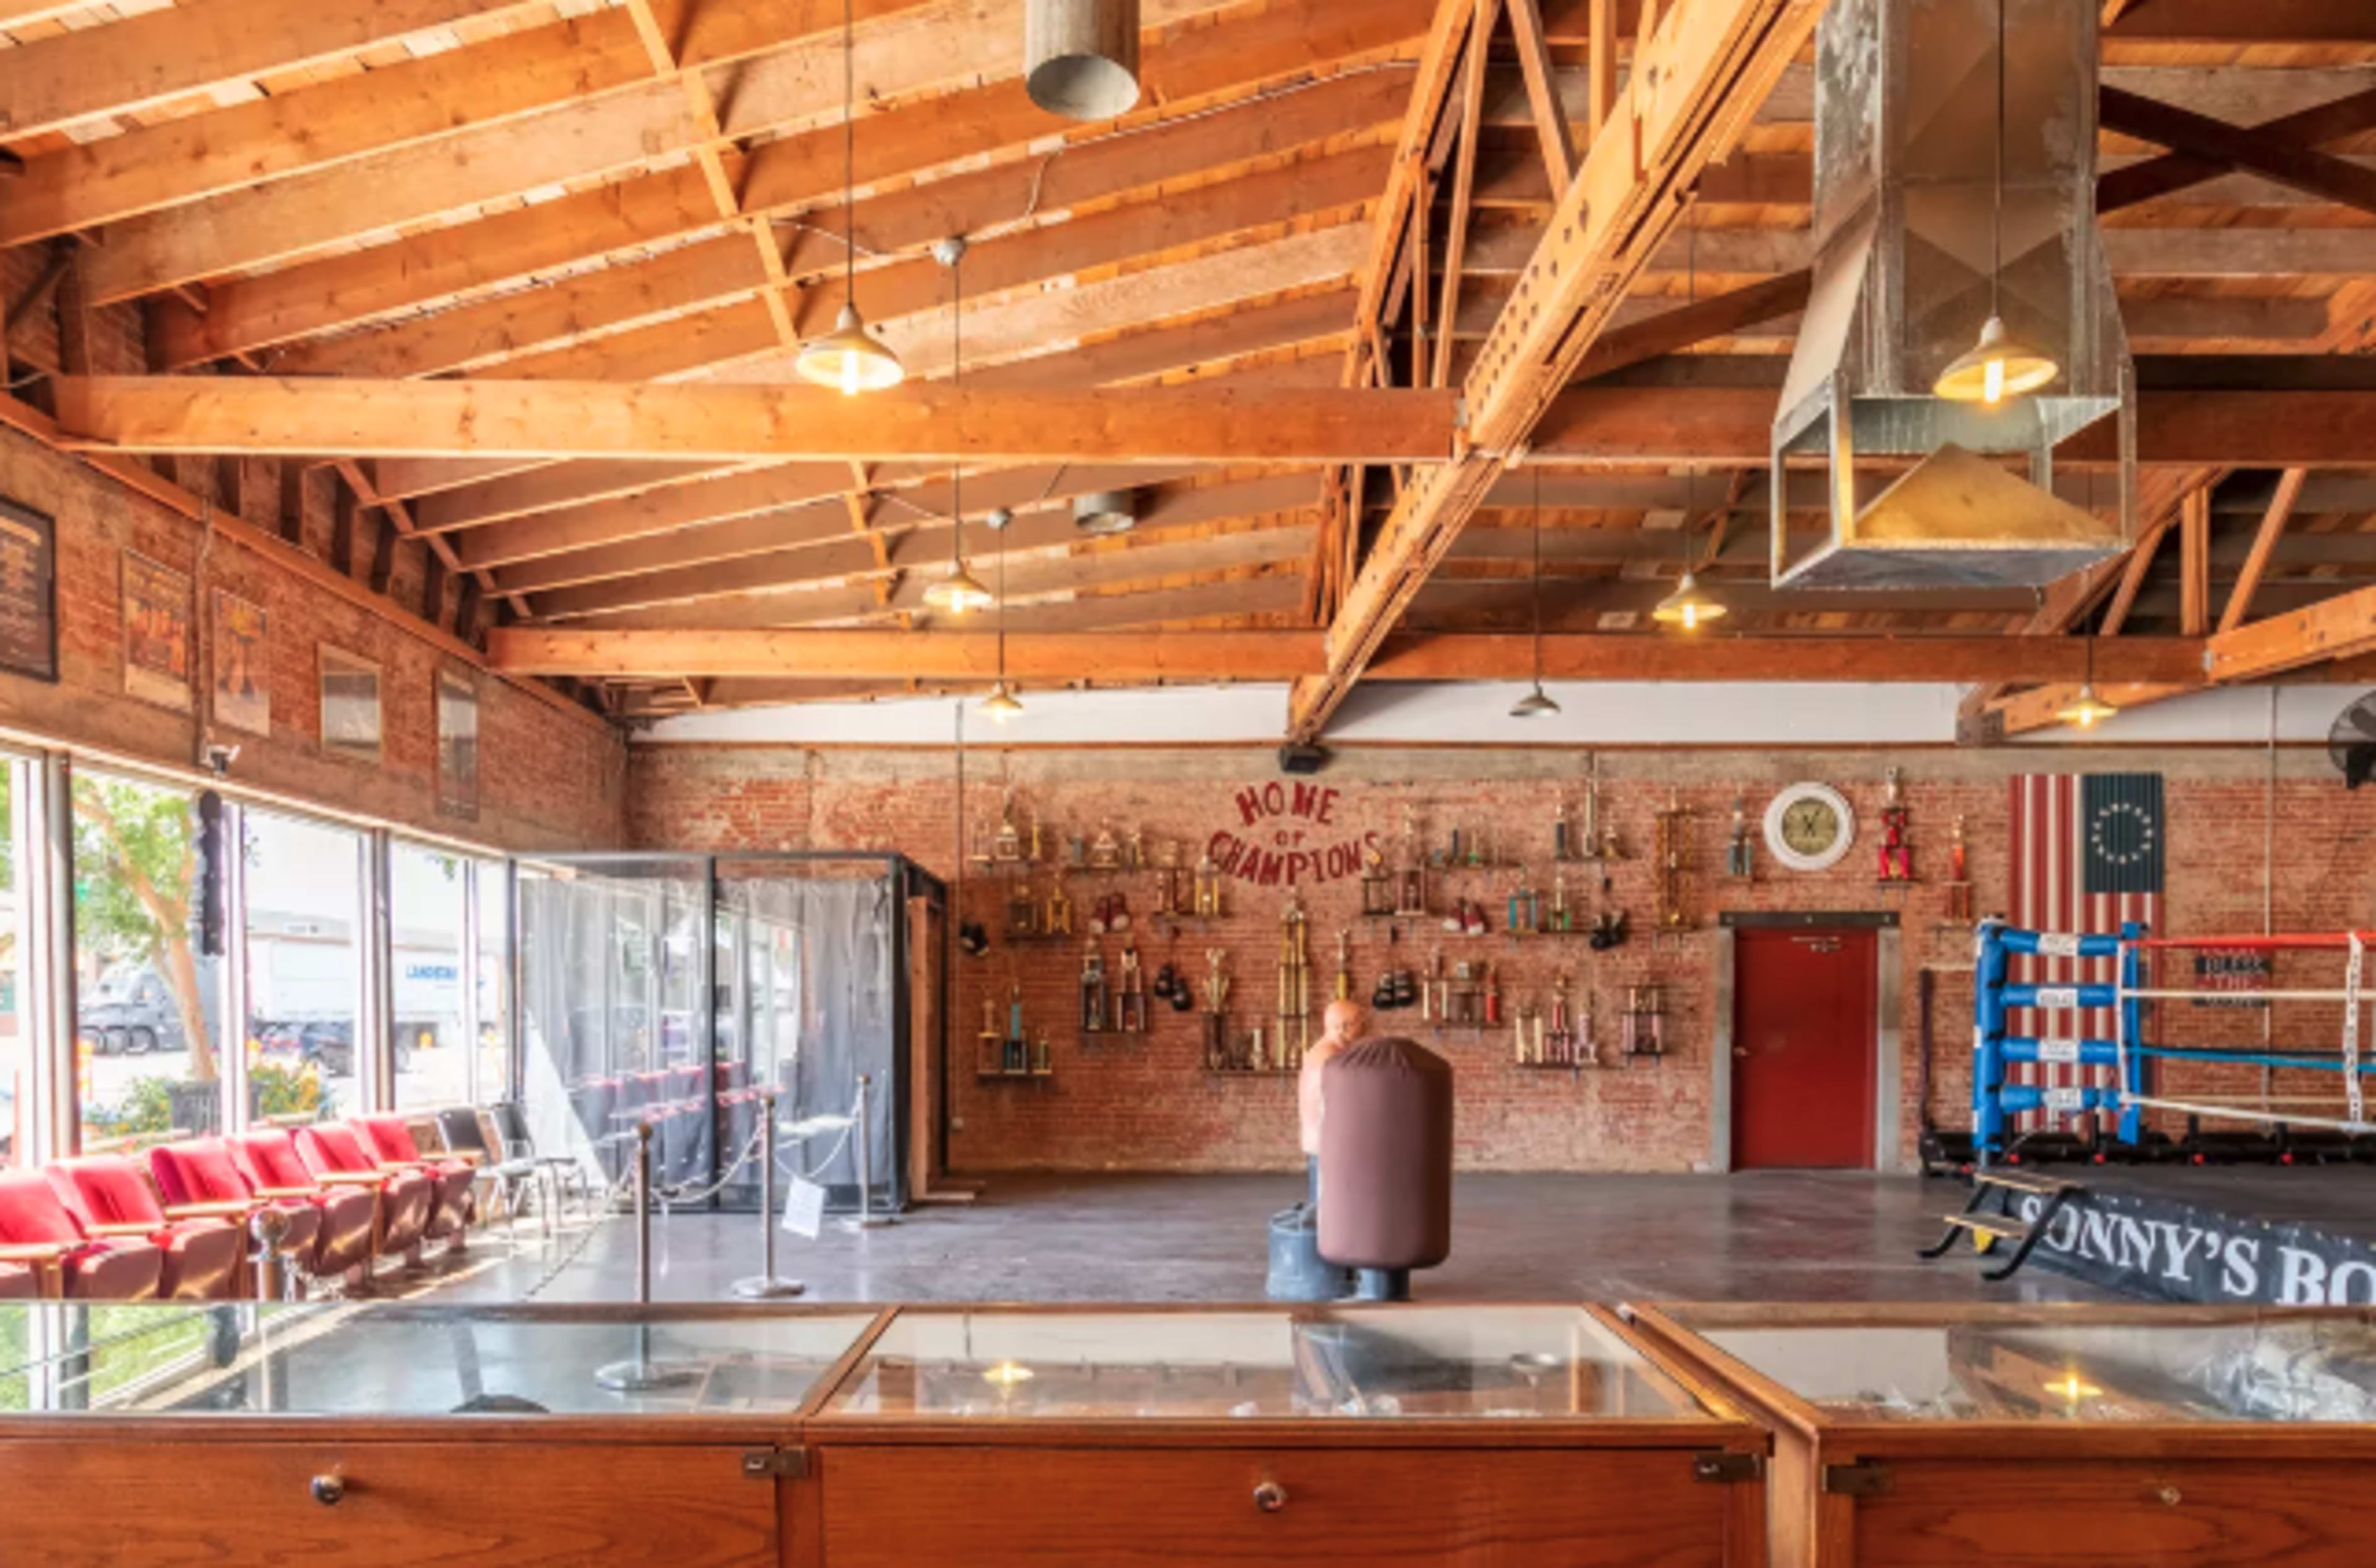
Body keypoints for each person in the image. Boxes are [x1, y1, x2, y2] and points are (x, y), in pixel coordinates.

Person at [1298, 999, 1367, 1212]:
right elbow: (1345, 1106)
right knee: (1329, 1216)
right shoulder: (1330, 1061)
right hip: (1328, 1149)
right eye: (1359, 1024)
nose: (1363, 1029)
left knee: (1331, 1214)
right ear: (1343, 1027)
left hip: (1324, 1148)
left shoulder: (1323, 1053)